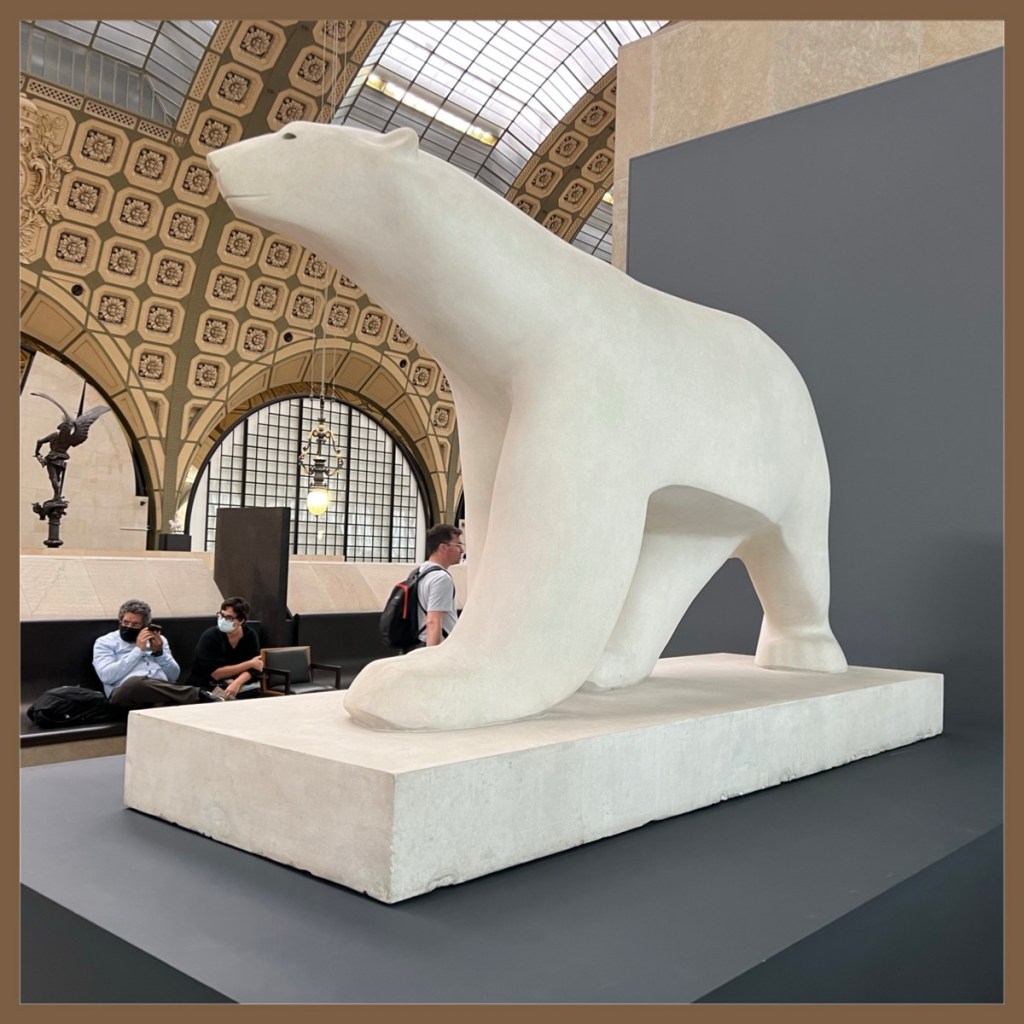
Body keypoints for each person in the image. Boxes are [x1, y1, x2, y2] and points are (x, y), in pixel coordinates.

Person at [93, 598, 223, 708]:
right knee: (135, 683)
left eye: (135, 624)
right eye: (126, 622)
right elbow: (107, 676)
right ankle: (199, 694)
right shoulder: (105, 642)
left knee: (173, 705)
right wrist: (138, 650)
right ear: (120, 621)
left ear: (145, 626)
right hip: (124, 693)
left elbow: (173, 676)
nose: (129, 627)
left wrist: (159, 653)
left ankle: (210, 701)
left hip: (159, 690)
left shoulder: (158, 640)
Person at [186, 596, 263, 700]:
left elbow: (255, 668)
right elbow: (216, 674)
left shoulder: (250, 635)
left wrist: (237, 683)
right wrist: (249, 663)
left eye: (229, 618)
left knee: (254, 694)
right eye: (221, 615)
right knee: (223, 699)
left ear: (241, 620)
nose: (222, 620)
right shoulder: (210, 636)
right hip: (205, 684)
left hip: (234, 682)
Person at [411, 524, 463, 649]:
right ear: (443, 548)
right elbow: (433, 622)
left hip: (419, 642)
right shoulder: (441, 578)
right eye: (458, 545)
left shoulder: (419, 572)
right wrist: (433, 655)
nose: (461, 550)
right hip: (438, 646)